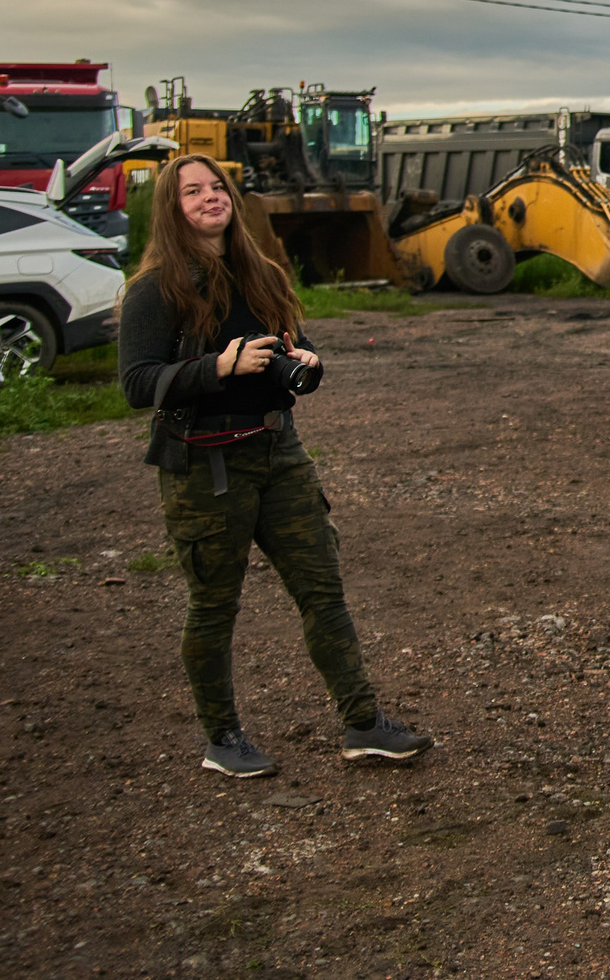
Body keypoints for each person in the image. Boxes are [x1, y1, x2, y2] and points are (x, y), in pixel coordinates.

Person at [118, 152, 431, 779]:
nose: (211, 198)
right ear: (172, 210)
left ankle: (364, 724)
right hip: (206, 463)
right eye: (193, 192)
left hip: (277, 450)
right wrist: (218, 368)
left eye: (218, 188)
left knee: (322, 589)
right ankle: (223, 738)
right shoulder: (155, 289)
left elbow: (298, 346)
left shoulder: (259, 271)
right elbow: (136, 383)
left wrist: (308, 365)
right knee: (214, 604)